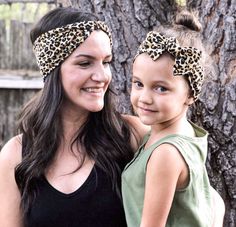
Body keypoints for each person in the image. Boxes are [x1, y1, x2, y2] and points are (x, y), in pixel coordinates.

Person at [0, 7, 147, 227]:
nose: (101, 76)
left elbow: (200, 195)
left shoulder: (131, 135)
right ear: (53, 69)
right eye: (85, 63)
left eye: (106, 62)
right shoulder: (16, 154)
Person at [122, 10, 225, 227]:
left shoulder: (165, 154)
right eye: (138, 84)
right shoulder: (181, 133)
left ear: (191, 95)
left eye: (161, 88)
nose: (144, 98)